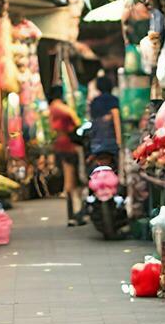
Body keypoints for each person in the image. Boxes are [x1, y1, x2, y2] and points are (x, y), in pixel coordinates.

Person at [46, 85, 84, 225]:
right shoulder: (61, 107)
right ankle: (73, 215)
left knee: (69, 179)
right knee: (71, 181)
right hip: (68, 144)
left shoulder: (52, 108)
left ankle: (73, 215)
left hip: (59, 143)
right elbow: (75, 120)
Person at [88, 73, 122, 159]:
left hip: (96, 143)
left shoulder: (94, 102)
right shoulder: (114, 100)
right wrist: (119, 140)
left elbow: (93, 120)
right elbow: (116, 118)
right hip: (111, 143)